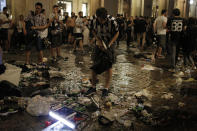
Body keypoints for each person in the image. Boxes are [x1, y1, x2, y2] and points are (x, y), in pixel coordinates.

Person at [86, 8, 119, 97]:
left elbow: (117, 33)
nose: (102, 21)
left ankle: (106, 88)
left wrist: (108, 45)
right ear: (97, 17)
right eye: (100, 19)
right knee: (95, 65)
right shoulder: (93, 21)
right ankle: (93, 87)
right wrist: (98, 40)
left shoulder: (112, 21)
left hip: (110, 43)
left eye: (104, 19)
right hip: (99, 43)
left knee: (108, 66)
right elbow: (92, 30)